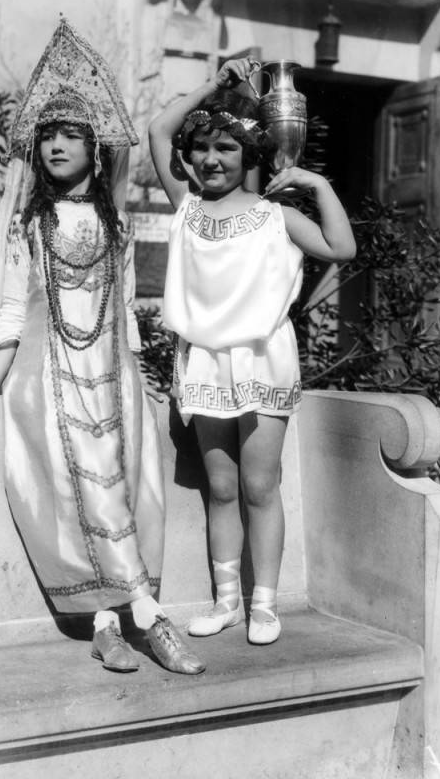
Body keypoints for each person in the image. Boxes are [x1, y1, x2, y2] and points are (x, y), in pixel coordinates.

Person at [0, 18, 204, 675]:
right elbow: (7, 309)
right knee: (73, 489)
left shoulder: (111, 217)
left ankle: (116, 620)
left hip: (112, 372)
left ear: (95, 148)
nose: (56, 144)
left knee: (126, 485)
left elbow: (136, 142)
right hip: (46, 375)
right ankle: (136, 617)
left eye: (71, 134)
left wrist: (191, 87)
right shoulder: (32, 222)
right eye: (47, 134)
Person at [148, 58, 356, 645]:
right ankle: (228, 602)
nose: (211, 159)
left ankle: (265, 604)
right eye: (204, 149)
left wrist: (316, 183)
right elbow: (159, 131)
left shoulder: (276, 215)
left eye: (227, 149)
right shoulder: (186, 209)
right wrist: (218, 81)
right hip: (207, 361)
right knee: (220, 487)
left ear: (250, 157)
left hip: (264, 357)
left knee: (260, 486)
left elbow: (341, 247)